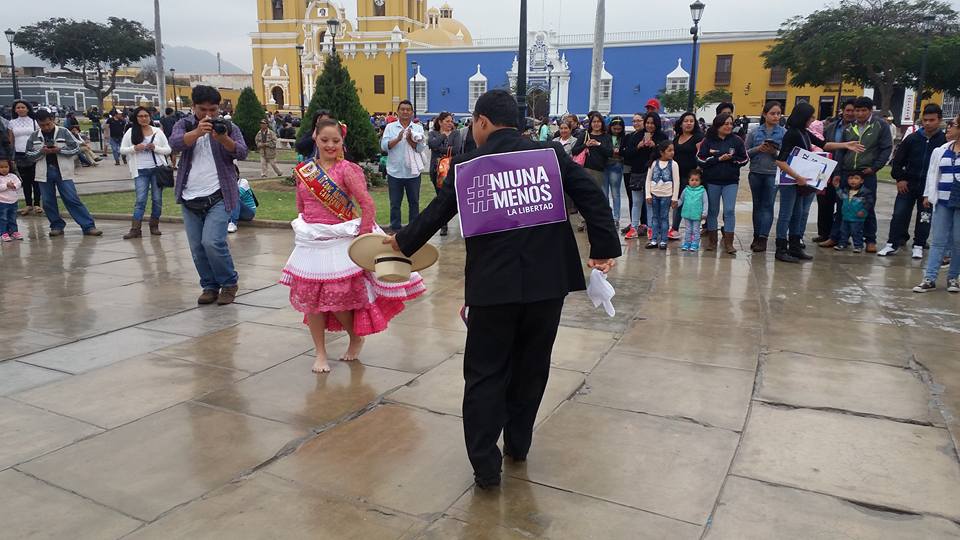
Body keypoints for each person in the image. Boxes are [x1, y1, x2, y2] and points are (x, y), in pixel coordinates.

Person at [385, 89, 621, 489]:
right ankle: (519, 444)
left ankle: (485, 467)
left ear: (481, 122)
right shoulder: (548, 155)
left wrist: (402, 242)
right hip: (548, 284)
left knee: (484, 374)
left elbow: (437, 213)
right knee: (532, 366)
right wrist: (602, 249)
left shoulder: (467, 164)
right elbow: (592, 197)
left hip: (493, 288)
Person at [281, 119, 426, 373]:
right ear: (315, 138)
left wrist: (363, 238)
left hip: (340, 242)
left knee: (338, 300)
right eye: (325, 140)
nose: (330, 145)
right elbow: (301, 206)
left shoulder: (347, 170)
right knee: (311, 302)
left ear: (342, 142)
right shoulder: (305, 170)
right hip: (311, 243)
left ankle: (355, 335)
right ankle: (321, 353)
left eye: (335, 141)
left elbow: (367, 205)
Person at [170, 85, 248, 306]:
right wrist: (197, 132)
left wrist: (223, 138)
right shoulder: (183, 124)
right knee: (197, 247)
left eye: (212, 109)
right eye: (202, 110)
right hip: (189, 195)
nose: (208, 115)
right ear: (193, 107)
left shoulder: (228, 126)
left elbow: (241, 152)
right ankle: (209, 285)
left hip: (219, 193)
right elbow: (174, 144)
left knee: (212, 242)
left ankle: (229, 282)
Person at [775, 102, 864, 262]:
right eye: (810, 117)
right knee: (786, 214)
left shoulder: (803, 132)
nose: (812, 120)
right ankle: (781, 248)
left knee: (798, 214)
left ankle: (795, 246)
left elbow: (824, 144)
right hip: (790, 180)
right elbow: (780, 161)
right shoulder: (792, 134)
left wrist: (844, 145)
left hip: (801, 180)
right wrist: (797, 177)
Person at [821, 96, 893, 252]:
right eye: (857, 110)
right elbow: (842, 151)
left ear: (870, 110)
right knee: (842, 205)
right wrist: (838, 172)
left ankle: (870, 240)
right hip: (847, 171)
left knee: (867, 206)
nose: (859, 114)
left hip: (866, 173)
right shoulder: (849, 127)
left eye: (863, 111)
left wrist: (874, 168)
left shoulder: (880, 125)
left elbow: (886, 148)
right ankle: (836, 237)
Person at [879, 103, 946, 258]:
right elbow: (898, 161)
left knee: (925, 217)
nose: (928, 123)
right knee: (899, 214)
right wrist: (900, 178)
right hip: (908, 184)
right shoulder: (912, 139)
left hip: (928, 187)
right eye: (925, 120)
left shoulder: (943, 141)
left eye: (932, 120)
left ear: (939, 120)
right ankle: (892, 244)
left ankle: (919, 244)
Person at [25, 110, 102, 237]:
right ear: (38, 124)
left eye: (48, 124)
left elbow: (76, 148)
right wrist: (42, 152)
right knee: (48, 201)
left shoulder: (63, 131)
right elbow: (29, 154)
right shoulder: (34, 136)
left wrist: (59, 150)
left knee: (72, 199)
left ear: (53, 120)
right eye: (42, 125)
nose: (46, 127)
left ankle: (88, 226)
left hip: (62, 171)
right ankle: (56, 225)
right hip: (44, 172)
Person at [914, 113, 960, 293]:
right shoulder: (941, 150)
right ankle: (929, 278)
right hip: (942, 199)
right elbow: (933, 174)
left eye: (953, 124)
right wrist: (927, 195)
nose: (949, 127)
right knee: (938, 240)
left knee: (958, 241)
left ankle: (953, 278)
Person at [697, 113, 748, 254]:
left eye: (731, 123)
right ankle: (712, 241)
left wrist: (731, 160)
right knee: (713, 211)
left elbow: (744, 159)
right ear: (718, 125)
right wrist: (717, 159)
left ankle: (729, 243)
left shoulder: (737, 140)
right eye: (726, 123)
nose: (729, 126)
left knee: (729, 210)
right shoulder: (708, 141)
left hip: (731, 181)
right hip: (712, 181)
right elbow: (700, 159)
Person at [120, 106, 170, 239]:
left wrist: (156, 148)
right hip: (140, 170)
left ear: (150, 116)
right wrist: (134, 148)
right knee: (140, 200)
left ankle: (154, 225)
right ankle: (135, 229)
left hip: (156, 170)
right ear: (136, 118)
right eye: (140, 116)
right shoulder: (131, 132)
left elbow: (168, 149)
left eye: (146, 116)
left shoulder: (157, 131)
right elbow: (122, 150)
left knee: (157, 199)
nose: (143, 118)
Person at [745, 101, 786, 253]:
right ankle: (756, 235)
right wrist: (758, 148)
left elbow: (786, 155)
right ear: (765, 114)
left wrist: (773, 152)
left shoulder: (783, 133)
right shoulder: (755, 132)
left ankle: (763, 237)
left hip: (773, 173)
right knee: (757, 205)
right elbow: (745, 153)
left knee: (768, 205)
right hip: (756, 172)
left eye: (778, 114)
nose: (776, 116)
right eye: (772, 113)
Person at [381, 100, 426, 232]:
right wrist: (398, 139)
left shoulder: (418, 128)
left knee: (414, 203)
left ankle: (413, 231)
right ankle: (395, 229)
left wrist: (410, 141)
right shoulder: (390, 127)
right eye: (402, 109)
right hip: (395, 172)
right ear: (398, 112)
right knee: (395, 204)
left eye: (408, 110)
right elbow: (384, 146)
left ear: (412, 112)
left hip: (413, 173)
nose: (405, 112)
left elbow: (420, 148)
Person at [816, 100, 857, 242]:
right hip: (828, 168)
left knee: (842, 204)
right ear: (842, 111)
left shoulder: (857, 129)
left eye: (853, 111)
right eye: (848, 110)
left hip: (846, 170)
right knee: (823, 201)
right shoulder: (831, 127)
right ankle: (824, 233)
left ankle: (839, 235)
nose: (850, 113)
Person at [622, 111, 667, 239]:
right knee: (636, 201)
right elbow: (627, 154)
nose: (649, 125)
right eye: (647, 123)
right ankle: (634, 227)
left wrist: (656, 146)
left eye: (652, 123)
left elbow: (668, 153)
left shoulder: (661, 136)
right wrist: (638, 146)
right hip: (637, 171)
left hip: (654, 172)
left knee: (650, 202)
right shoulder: (637, 136)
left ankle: (651, 228)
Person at [572, 111, 613, 232]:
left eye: (598, 121)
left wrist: (598, 144)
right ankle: (582, 220)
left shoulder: (606, 137)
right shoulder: (585, 134)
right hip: (584, 169)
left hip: (598, 170)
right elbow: (574, 151)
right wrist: (586, 145)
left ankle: (593, 220)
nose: (596, 124)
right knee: (583, 196)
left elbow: (609, 153)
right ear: (590, 123)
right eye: (594, 122)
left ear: (602, 123)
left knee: (595, 197)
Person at [427, 112, 463, 236]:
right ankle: (443, 225)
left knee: (454, 196)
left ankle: (462, 222)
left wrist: (439, 149)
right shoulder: (433, 133)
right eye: (447, 121)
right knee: (440, 197)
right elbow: (432, 144)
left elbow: (456, 149)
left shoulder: (456, 133)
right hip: (436, 170)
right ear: (440, 122)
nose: (450, 123)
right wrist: (442, 136)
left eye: (451, 121)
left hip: (451, 169)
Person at [671, 112, 704, 239]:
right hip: (677, 176)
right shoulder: (676, 138)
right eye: (686, 121)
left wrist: (697, 172)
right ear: (681, 123)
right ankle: (674, 228)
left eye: (691, 121)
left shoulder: (698, 137)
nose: (689, 123)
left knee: (691, 204)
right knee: (677, 202)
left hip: (692, 177)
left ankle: (692, 231)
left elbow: (702, 155)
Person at [644, 140, 680, 249]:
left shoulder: (674, 164)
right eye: (669, 150)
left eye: (673, 150)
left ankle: (664, 240)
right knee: (654, 217)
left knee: (664, 217)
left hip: (666, 195)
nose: (672, 152)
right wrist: (648, 195)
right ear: (661, 152)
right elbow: (648, 180)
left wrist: (674, 198)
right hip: (654, 194)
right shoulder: (654, 163)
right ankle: (654, 239)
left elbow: (676, 181)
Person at [9, 100, 42, 216]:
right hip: (19, 154)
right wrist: (11, 156)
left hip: (33, 153)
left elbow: (39, 137)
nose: (20, 109)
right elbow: (11, 141)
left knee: (35, 179)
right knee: (25, 181)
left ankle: (37, 203)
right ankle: (28, 204)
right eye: (18, 108)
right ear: (15, 110)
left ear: (28, 109)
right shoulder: (12, 123)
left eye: (23, 107)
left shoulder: (34, 122)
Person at [834, 170, 874, 253]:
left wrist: (863, 210)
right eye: (851, 178)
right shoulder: (846, 190)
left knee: (856, 232)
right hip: (846, 216)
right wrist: (837, 187)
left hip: (857, 217)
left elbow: (869, 203)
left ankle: (858, 245)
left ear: (862, 180)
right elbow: (841, 196)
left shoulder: (865, 192)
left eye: (856, 178)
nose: (853, 180)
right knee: (843, 231)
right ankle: (842, 244)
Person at [604, 117, 626, 229]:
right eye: (614, 128)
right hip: (604, 165)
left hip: (617, 165)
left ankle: (616, 217)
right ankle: (607, 216)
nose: (616, 131)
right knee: (604, 193)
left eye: (619, 129)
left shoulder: (624, 138)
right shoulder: (606, 136)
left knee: (615, 193)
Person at [678, 168, 707, 251]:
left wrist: (704, 213)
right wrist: (676, 204)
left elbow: (705, 202)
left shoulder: (702, 191)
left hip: (697, 214)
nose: (694, 182)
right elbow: (681, 200)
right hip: (687, 214)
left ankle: (695, 243)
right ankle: (687, 242)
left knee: (696, 230)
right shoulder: (686, 190)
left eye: (697, 180)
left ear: (700, 181)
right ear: (689, 180)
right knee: (688, 229)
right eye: (692, 180)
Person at [0, 159, 23, 241]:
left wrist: (15, 186)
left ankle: (14, 231)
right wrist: (6, 185)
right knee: (3, 218)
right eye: (1, 167)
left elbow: (19, 183)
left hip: (13, 201)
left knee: (12, 218)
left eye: (6, 167)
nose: (4, 169)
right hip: (2, 202)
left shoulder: (13, 176)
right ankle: (3, 233)